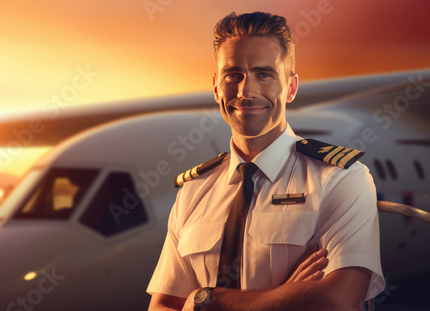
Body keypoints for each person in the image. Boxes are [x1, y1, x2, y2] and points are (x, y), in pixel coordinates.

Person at [147, 11, 385, 311]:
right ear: (216, 87)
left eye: (264, 74)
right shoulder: (193, 192)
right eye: (233, 75)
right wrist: (284, 296)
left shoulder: (340, 179)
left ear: (291, 87)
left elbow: (337, 300)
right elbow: (163, 306)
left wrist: (205, 299)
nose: (246, 91)